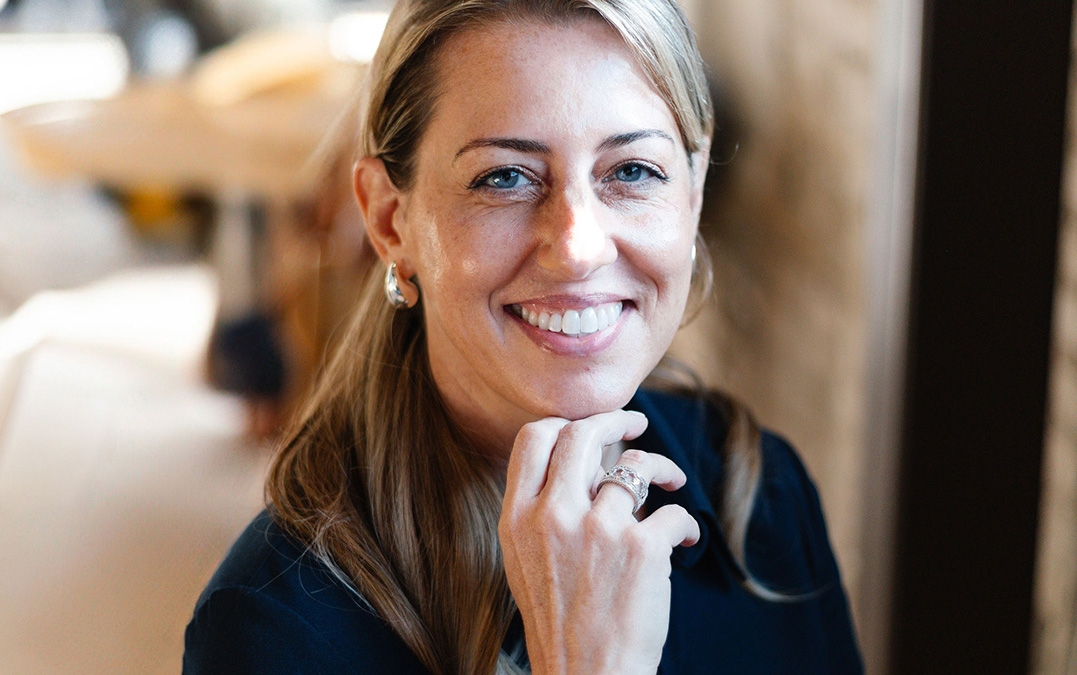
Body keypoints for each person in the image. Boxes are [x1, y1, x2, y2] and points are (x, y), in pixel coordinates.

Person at [183, 0, 863, 673]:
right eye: (504, 177)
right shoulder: (271, 629)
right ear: (389, 220)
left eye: (632, 171)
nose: (576, 250)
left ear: (691, 193)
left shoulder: (764, 496)